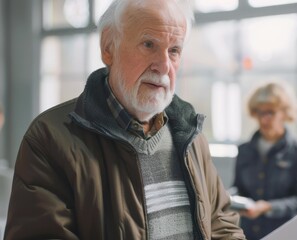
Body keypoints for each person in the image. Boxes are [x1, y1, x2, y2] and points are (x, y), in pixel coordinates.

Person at [4, 0, 245, 239]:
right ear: (108, 47)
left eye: (174, 51)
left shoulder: (190, 135)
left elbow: (221, 224)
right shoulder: (50, 138)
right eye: (149, 44)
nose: (163, 66)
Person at [231, 82, 297, 240]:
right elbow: (238, 188)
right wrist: (228, 199)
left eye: (270, 112)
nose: (264, 119)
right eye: (260, 113)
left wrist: (268, 207)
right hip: (248, 234)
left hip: (285, 233)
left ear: (284, 113)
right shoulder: (244, 150)